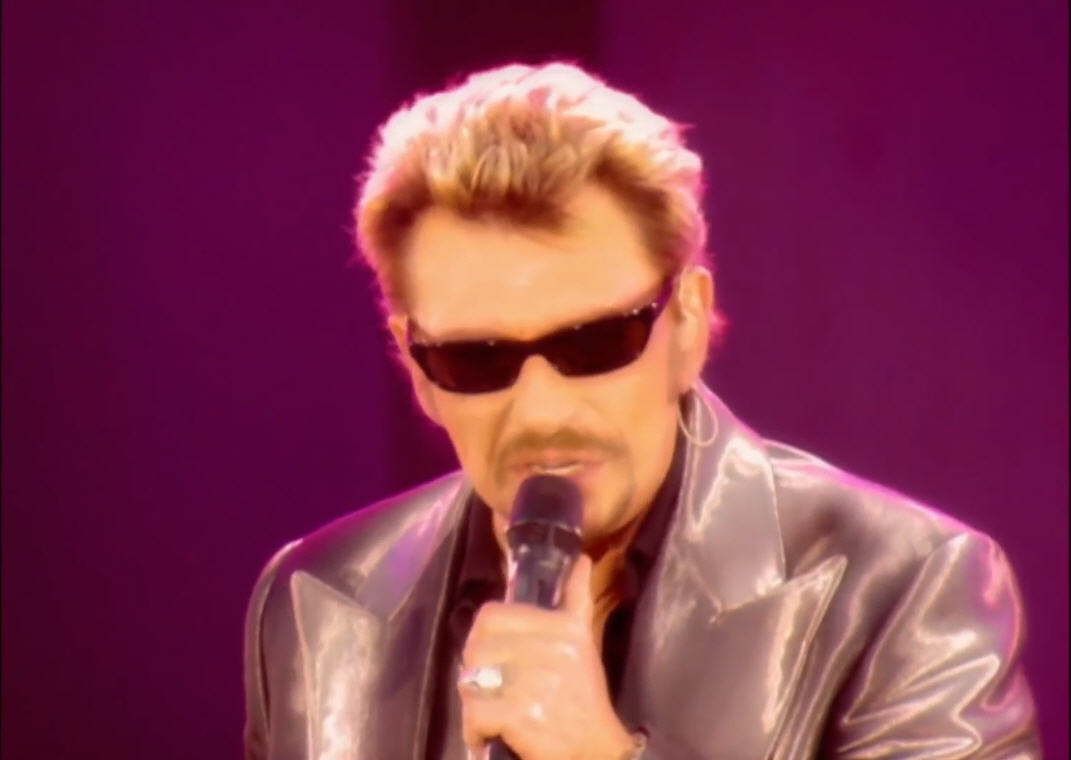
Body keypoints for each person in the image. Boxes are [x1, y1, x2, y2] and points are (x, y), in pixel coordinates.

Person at [242, 62, 1039, 760]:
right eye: (475, 360)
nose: (541, 410)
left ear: (687, 323)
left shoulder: (905, 588)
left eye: (595, 344)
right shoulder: (315, 601)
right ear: (415, 368)